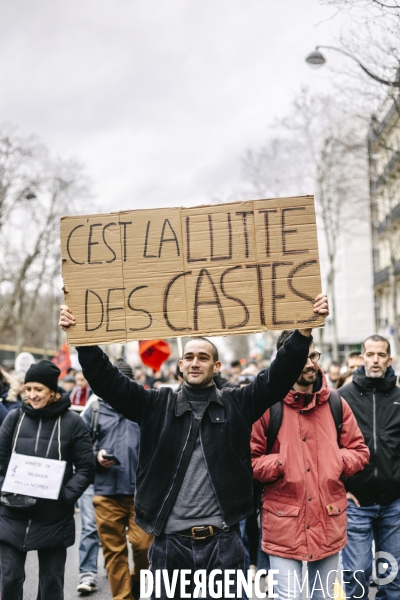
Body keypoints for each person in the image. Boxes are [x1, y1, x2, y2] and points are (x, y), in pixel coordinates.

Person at [59, 294, 329, 599]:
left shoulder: (237, 404)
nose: (194, 362)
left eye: (203, 357)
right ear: (180, 365)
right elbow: (109, 382)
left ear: (215, 366)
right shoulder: (155, 405)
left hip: (223, 545)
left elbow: (276, 379)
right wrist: (83, 340)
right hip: (168, 545)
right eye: (189, 357)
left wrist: (303, 333)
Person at [251, 330, 369, 600]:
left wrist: (336, 460)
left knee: (324, 596)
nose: (308, 363)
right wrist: (283, 462)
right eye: (300, 357)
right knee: (287, 597)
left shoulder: (337, 403)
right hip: (283, 522)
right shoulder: (268, 407)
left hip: (328, 519)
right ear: (284, 360)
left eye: (313, 355)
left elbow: (360, 452)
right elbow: (250, 461)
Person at [0, 360, 95, 600]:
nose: (32, 395)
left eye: (38, 389)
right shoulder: (14, 418)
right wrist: (4, 489)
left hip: (53, 517)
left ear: (52, 391)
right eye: (28, 388)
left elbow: (86, 467)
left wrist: (66, 496)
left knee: (51, 585)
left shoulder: (74, 422)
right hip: (12, 514)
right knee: (10, 579)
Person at [80, 358, 153, 600]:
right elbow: (77, 451)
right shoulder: (94, 410)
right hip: (106, 494)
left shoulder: (145, 408)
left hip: (141, 496)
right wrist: (95, 456)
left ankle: (136, 582)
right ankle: (122, 597)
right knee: (114, 552)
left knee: (144, 547)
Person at [340, 334, 400, 600]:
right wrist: (338, 488)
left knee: (392, 577)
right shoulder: (341, 398)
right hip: (356, 504)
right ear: (361, 358)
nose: (376, 360)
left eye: (381, 355)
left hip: (393, 505)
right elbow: (327, 449)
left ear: (389, 359)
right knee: (357, 574)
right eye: (370, 354)